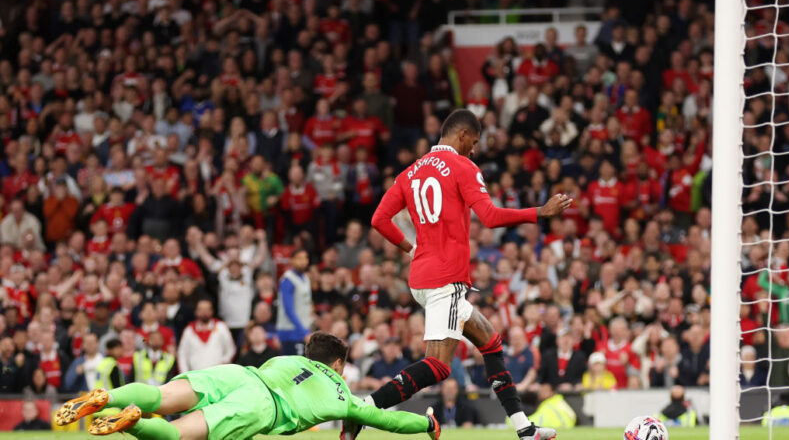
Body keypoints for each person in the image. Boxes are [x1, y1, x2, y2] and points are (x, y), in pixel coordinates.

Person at [366, 109, 571, 440]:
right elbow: (489, 216)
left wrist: (410, 248)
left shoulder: (409, 173)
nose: (474, 150)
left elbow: (379, 219)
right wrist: (539, 212)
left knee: (490, 342)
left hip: (423, 276)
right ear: (461, 135)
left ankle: (524, 428)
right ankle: (363, 409)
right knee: (439, 366)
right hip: (444, 279)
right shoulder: (463, 166)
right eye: (473, 142)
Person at [55, 332, 441, 440]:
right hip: (261, 406)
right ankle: (134, 422)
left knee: (161, 395)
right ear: (338, 365)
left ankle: (108, 397)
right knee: (176, 434)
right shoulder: (343, 396)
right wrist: (427, 424)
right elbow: (390, 422)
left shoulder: (289, 358)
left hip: (241, 373)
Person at [276, 249, 313, 356]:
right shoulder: (288, 280)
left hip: (303, 330)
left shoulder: (306, 278)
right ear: (292, 261)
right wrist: (304, 332)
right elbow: (288, 310)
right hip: (290, 333)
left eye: (305, 258)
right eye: (299, 258)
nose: (303, 261)